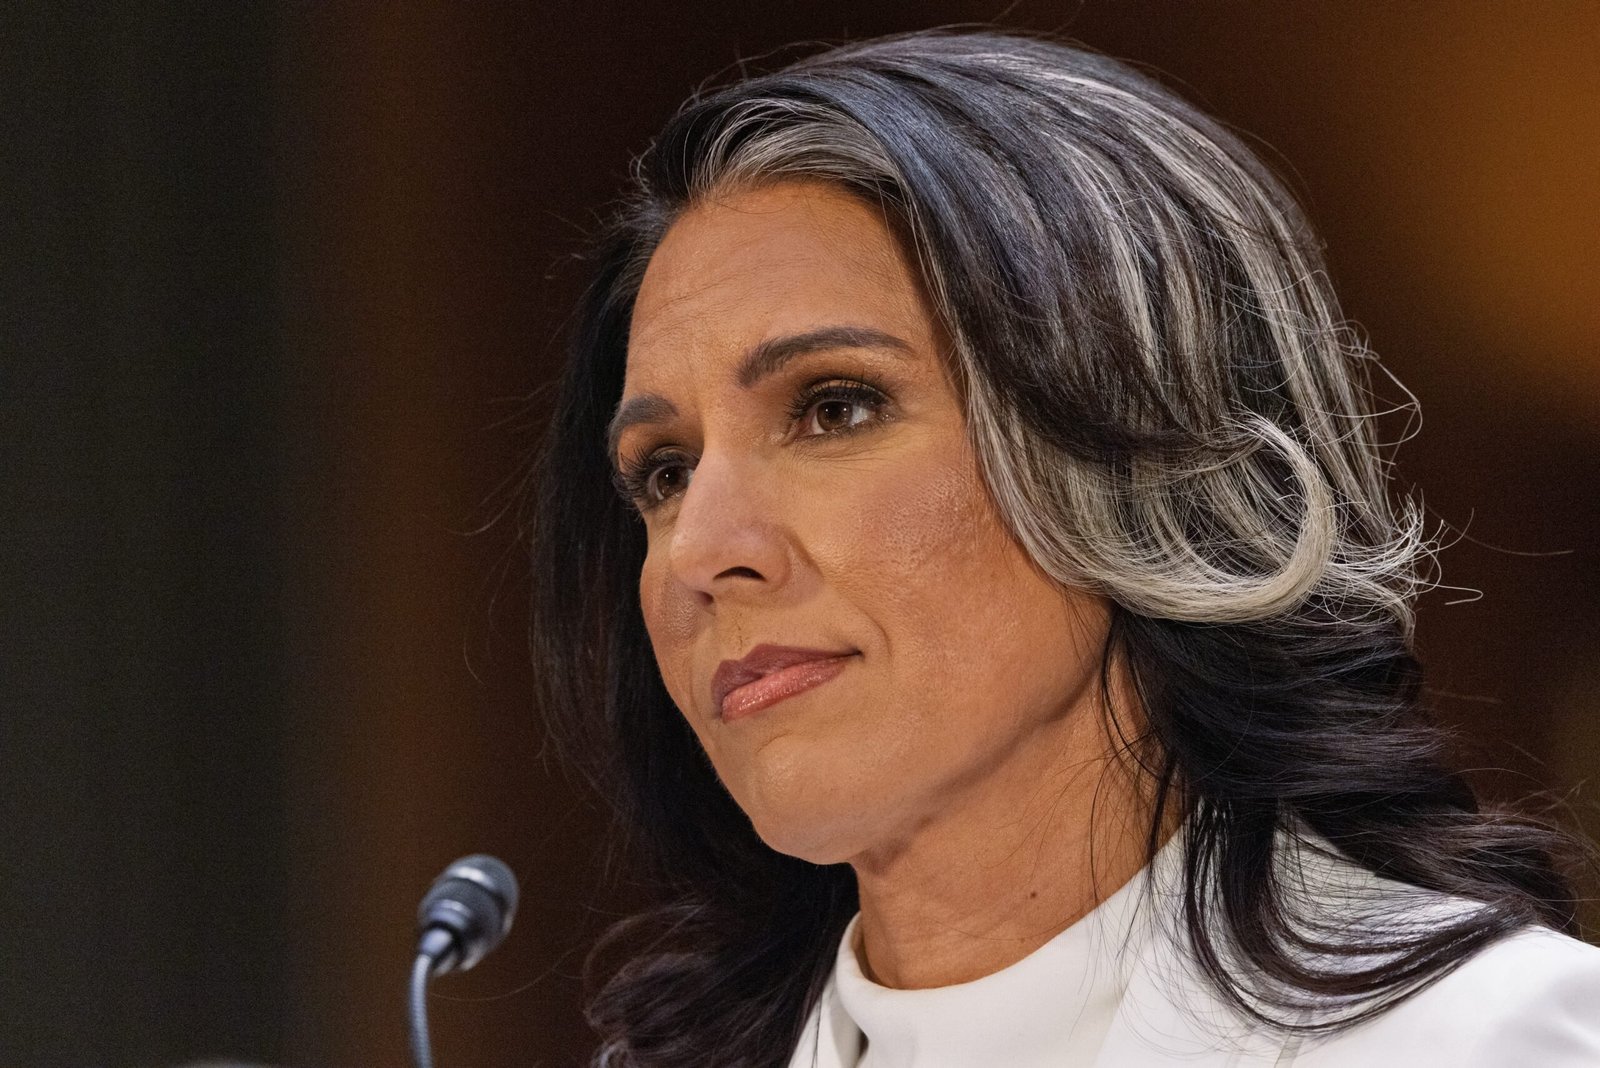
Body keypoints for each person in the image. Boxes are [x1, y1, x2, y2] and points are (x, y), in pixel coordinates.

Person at [527, 29, 1600, 1067]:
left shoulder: (1484, 1039)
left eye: (836, 408)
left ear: (1138, 447)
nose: (699, 551)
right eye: (664, 473)